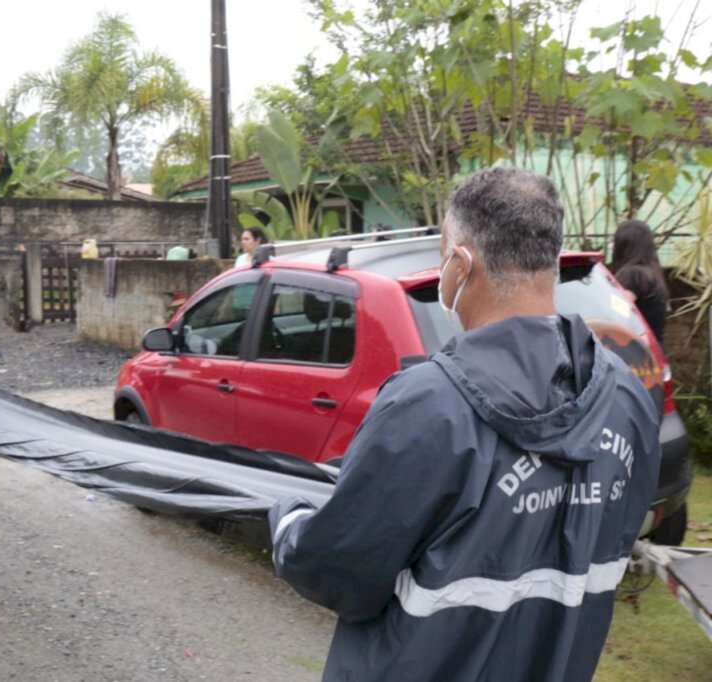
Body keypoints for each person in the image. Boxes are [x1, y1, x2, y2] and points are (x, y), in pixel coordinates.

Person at [269, 167, 661, 682]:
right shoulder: (629, 397)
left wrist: (289, 522)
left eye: (440, 260)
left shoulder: (425, 408)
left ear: (460, 264)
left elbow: (339, 573)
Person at [611, 219, 670, 345]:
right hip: (655, 351)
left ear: (623, 245)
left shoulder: (632, 275)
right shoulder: (653, 274)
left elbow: (617, 313)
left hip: (636, 354)